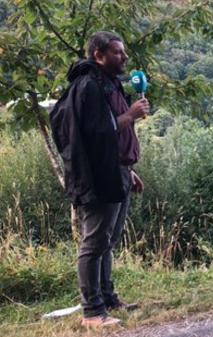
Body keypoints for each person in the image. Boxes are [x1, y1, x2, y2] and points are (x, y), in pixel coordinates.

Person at [51, 31, 149, 327]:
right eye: (118, 52)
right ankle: (92, 312)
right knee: (94, 243)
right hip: (98, 178)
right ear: (99, 55)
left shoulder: (109, 84)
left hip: (117, 172)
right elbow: (94, 135)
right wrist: (130, 115)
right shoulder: (87, 86)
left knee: (108, 241)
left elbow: (112, 138)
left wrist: (128, 169)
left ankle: (108, 298)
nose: (125, 57)